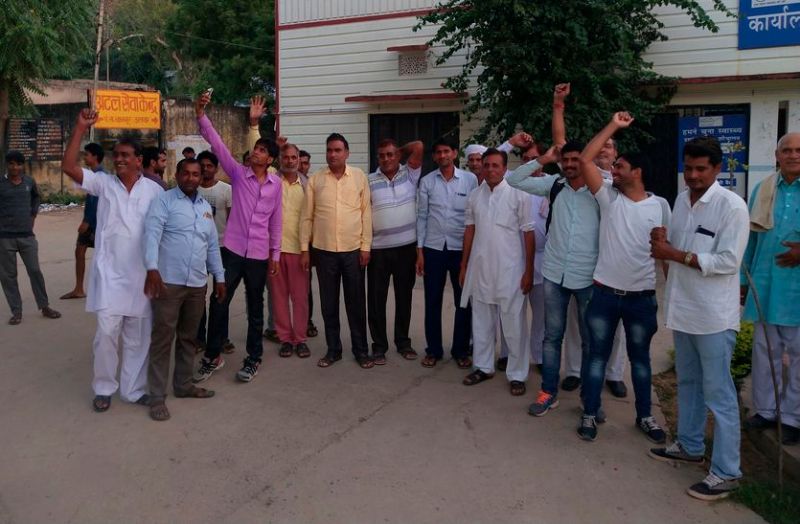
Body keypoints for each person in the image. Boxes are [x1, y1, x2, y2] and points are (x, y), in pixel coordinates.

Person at [649, 136, 749, 501]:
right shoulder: (681, 200)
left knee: (719, 393)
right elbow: (672, 248)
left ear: (717, 169)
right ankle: (690, 446)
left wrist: (674, 253)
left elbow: (728, 262)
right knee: (689, 382)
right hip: (684, 309)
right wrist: (662, 241)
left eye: (701, 169)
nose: (693, 175)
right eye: (688, 168)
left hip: (714, 317)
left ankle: (727, 472)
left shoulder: (731, 207)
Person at [575, 112, 669, 443]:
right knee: (596, 357)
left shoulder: (660, 206)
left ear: (637, 172)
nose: (613, 170)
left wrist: (671, 294)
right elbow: (585, 159)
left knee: (640, 361)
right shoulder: (608, 198)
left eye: (620, 166)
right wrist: (614, 125)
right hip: (604, 294)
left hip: (642, 298)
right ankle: (589, 412)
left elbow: (665, 251)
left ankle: (645, 416)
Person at [61, 109, 163, 412]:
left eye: (125, 155)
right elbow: (68, 166)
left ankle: (133, 390)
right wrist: (80, 127)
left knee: (138, 338)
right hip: (109, 276)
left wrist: (158, 271)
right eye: (116, 154)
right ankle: (104, 387)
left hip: (142, 276)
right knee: (106, 335)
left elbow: (162, 232)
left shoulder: (155, 191)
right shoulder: (103, 184)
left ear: (139, 160)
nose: (118, 159)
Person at [193, 93, 281, 384]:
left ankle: (253, 359)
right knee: (219, 301)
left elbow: (276, 221)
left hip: (258, 255)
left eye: (261, 151)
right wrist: (201, 114)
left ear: (270, 159)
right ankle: (212, 356)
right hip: (230, 252)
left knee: (255, 308)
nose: (256, 152)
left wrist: (275, 254)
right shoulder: (238, 174)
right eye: (255, 148)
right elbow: (217, 143)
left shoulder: (275, 185)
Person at [507, 140, 598, 418]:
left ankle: (589, 400)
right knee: (552, 337)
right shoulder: (554, 185)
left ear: (584, 161)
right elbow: (514, 179)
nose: (569, 165)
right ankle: (548, 392)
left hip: (587, 276)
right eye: (565, 160)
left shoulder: (599, 191)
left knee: (590, 340)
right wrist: (544, 159)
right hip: (554, 273)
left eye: (575, 160)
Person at [554, 82, 629, 399]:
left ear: (616, 154)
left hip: (614, 263)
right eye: (600, 146)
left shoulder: (621, 181)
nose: (603, 150)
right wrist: (559, 104)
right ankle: (574, 370)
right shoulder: (579, 177)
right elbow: (561, 143)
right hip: (583, 262)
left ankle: (614, 373)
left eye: (609, 146)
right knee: (578, 322)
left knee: (614, 324)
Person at [143, 158, 225, 421]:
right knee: (162, 339)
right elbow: (152, 235)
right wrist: (152, 268)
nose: (191, 178)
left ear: (201, 177)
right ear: (177, 175)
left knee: (189, 338)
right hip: (168, 282)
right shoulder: (164, 201)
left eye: (195, 174)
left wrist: (220, 277)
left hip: (197, 284)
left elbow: (211, 246)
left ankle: (183, 384)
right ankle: (157, 396)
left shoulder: (205, 208)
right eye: (186, 173)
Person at [741, 132, 800, 446]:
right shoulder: (763, 189)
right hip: (765, 284)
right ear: (777, 156)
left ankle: (793, 418)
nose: (793, 155)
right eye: (786, 150)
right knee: (765, 352)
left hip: (797, 289)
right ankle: (765, 410)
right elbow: (750, 237)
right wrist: (743, 281)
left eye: (799, 150)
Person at [459, 148, 534, 395]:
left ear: (504, 168)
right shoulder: (474, 196)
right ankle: (483, 367)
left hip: (511, 270)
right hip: (481, 268)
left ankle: (517, 374)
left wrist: (529, 271)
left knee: (514, 325)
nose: (490, 169)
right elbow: (469, 230)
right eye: (486, 165)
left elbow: (528, 233)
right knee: (482, 321)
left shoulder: (518, 194)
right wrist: (464, 265)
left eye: (495, 165)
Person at [300, 133, 373, 369]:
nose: (333, 154)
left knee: (356, 304)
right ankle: (333, 350)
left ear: (347, 153)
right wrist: (305, 249)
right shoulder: (316, 180)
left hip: (353, 251)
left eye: (338, 150)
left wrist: (365, 247)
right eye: (329, 150)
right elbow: (307, 217)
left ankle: (361, 350)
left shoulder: (359, 177)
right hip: (324, 252)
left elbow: (366, 213)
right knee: (329, 304)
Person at [416, 138, 477, 369]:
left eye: (446, 151)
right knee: (432, 301)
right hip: (433, 249)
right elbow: (422, 216)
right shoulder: (427, 181)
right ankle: (433, 350)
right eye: (438, 152)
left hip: (461, 250)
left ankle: (461, 350)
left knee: (463, 301)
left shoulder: (469, 180)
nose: (442, 156)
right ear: (434, 157)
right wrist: (420, 252)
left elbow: (473, 218)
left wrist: (470, 255)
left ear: (454, 153)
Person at [367, 138, 424, 364]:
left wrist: (399, 150)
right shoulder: (369, 181)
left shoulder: (409, 174)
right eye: (382, 155)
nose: (386, 159)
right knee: (376, 300)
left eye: (390, 154)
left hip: (406, 248)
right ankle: (379, 346)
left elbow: (418, 146)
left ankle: (403, 342)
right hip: (378, 250)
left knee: (404, 297)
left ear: (399, 155)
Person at [0, 150, 61, 325]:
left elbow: (36, 197)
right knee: (8, 276)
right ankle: (16, 312)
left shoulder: (29, 182)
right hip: (5, 238)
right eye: (12, 164)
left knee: (34, 271)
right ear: (7, 165)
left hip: (27, 236)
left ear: (22, 166)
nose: (15, 167)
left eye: (18, 164)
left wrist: (33, 215)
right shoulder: (1, 184)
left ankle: (44, 306)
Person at [270, 142, 311, 358]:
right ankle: (285, 339)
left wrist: (307, 250)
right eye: (286, 157)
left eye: (294, 157)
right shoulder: (272, 181)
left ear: (298, 159)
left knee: (300, 297)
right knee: (279, 298)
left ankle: (300, 339)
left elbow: (311, 219)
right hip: (275, 251)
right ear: (280, 159)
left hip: (299, 250)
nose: (290, 161)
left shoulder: (307, 185)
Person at [195, 150, 235, 354]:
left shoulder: (226, 190)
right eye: (202, 166)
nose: (205, 169)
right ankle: (199, 338)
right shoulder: (192, 190)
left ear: (216, 168)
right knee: (198, 294)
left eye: (209, 166)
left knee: (221, 295)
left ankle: (222, 338)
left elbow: (232, 219)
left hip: (222, 248)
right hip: (198, 249)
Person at [61, 143, 106, 300]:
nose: (84, 157)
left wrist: (87, 221)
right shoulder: (94, 174)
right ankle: (79, 288)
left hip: (95, 224)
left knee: (95, 254)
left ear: (95, 156)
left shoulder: (100, 176)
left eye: (87, 154)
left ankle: (90, 289)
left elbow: (96, 202)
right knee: (80, 251)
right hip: (93, 222)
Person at [299, 148, 318, 338]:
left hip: (310, 241)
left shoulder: (312, 183)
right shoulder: (283, 181)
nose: (302, 166)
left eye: (305, 163)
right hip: (289, 240)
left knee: (306, 284)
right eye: (300, 162)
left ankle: (307, 321)